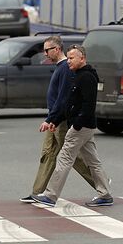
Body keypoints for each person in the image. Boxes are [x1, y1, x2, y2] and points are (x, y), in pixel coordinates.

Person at [32, 45, 113, 208]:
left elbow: (88, 105)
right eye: (68, 58)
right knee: (93, 161)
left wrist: (76, 125)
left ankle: (50, 195)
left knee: (64, 159)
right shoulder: (78, 75)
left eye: (72, 58)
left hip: (80, 128)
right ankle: (105, 194)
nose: (68, 61)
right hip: (85, 127)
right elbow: (68, 104)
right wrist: (53, 120)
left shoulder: (87, 78)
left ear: (82, 58)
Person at [19, 36, 95, 203]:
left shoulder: (65, 69)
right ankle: (37, 192)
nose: (45, 54)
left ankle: (100, 184)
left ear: (57, 49)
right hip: (54, 119)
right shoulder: (61, 68)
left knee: (71, 157)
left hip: (60, 121)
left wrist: (52, 119)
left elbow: (63, 98)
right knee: (48, 155)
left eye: (47, 50)